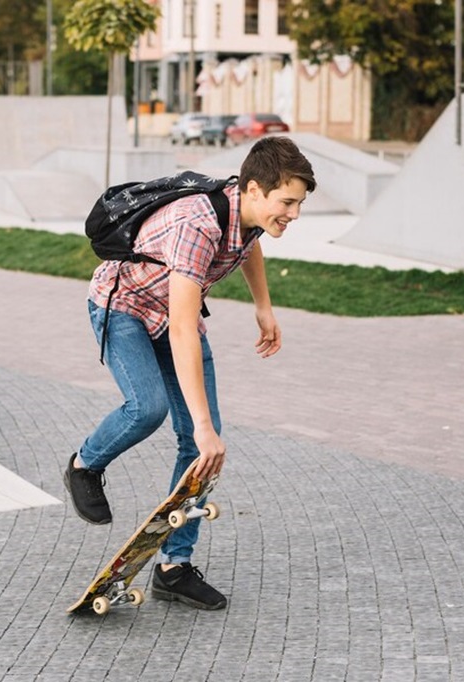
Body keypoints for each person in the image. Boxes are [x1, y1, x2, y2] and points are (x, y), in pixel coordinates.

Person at [65, 136, 316, 610]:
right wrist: (200, 425)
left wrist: (264, 307)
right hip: (125, 309)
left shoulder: (246, 212)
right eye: (287, 202)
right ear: (256, 189)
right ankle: (85, 464)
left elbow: (249, 246)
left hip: (171, 315)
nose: (294, 214)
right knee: (149, 409)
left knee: (203, 448)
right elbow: (182, 328)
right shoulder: (197, 223)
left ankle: (173, 567)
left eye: (299, 204)